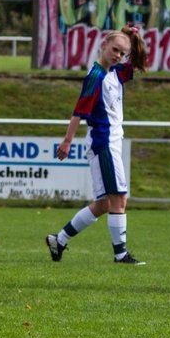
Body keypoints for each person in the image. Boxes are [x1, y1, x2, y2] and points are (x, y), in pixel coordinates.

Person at [45, 25, 148, 265]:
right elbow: (78, 111)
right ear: (103, 45)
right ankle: (120, 254)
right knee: (119, 198)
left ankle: (58, 240)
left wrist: (134, 37)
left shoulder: (115, 72)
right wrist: (67, 141)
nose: (118, 56)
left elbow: (140, 62)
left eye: (122, 53)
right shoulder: (96, 76)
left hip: (112, 142)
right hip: (103, 142)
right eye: (115, 50)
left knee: (104, 203)